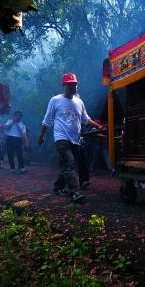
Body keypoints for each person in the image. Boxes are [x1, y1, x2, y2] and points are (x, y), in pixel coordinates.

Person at [38, 73, 103, 202]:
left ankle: (58, 186)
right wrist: (41, 137)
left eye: (75, 84)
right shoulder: (55, 100)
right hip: (61, 138)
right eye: (70, 84)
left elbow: (85, 119)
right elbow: (47, 120)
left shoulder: (79, 102)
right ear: (64, 85)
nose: (74, 87)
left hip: (75, 139)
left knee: (66, 165)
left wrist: (98, 126)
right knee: (70, 163)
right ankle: (74, 192)